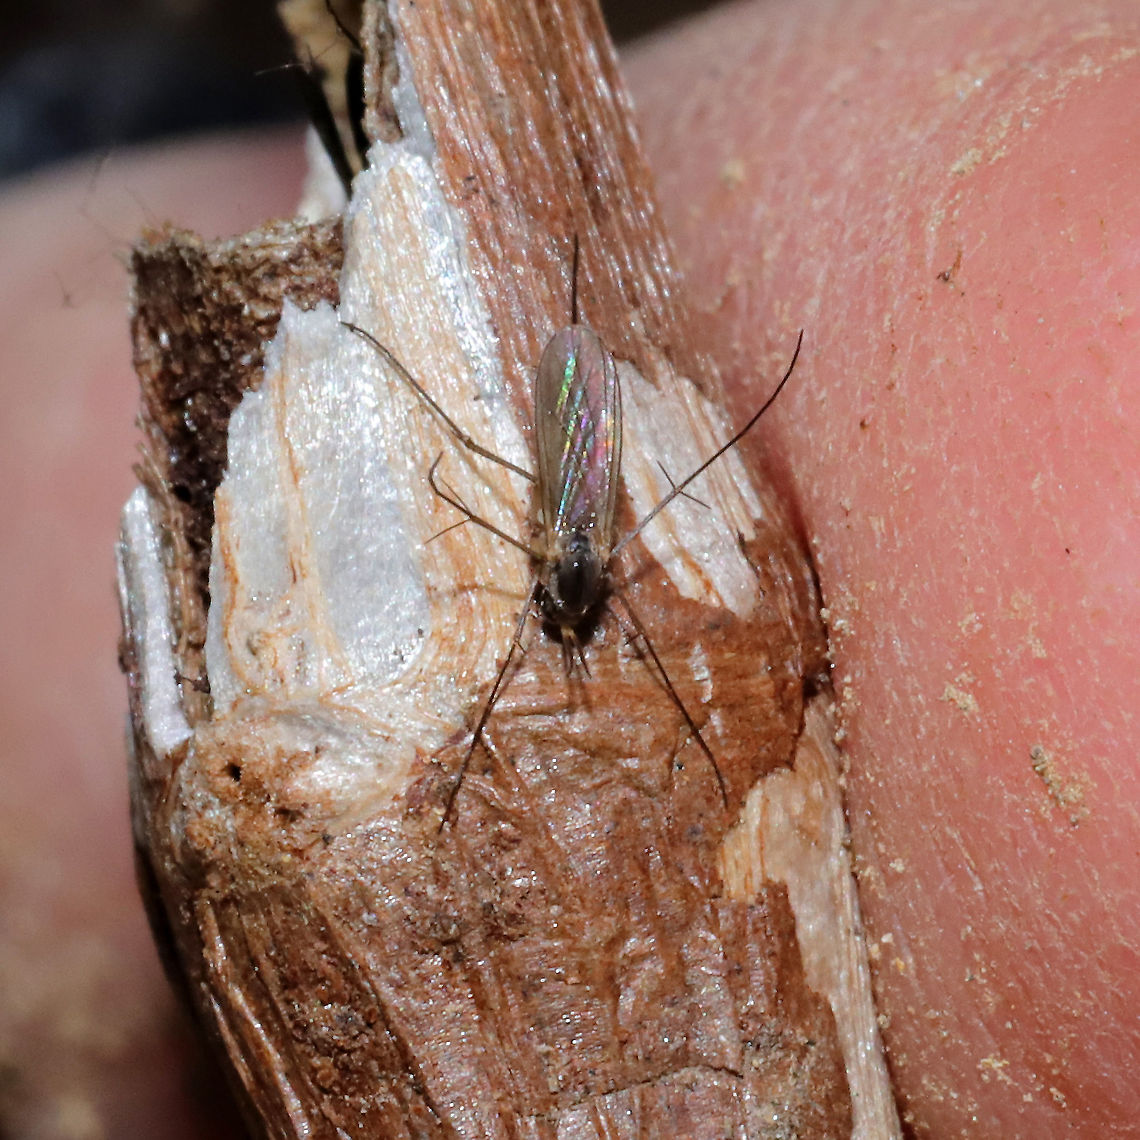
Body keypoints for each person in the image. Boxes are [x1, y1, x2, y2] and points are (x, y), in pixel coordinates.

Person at [2, 0, 1134, 1134]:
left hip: (568, 498)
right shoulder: (562, 565)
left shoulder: (564, 563)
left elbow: (542, 501)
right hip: (564, 494)